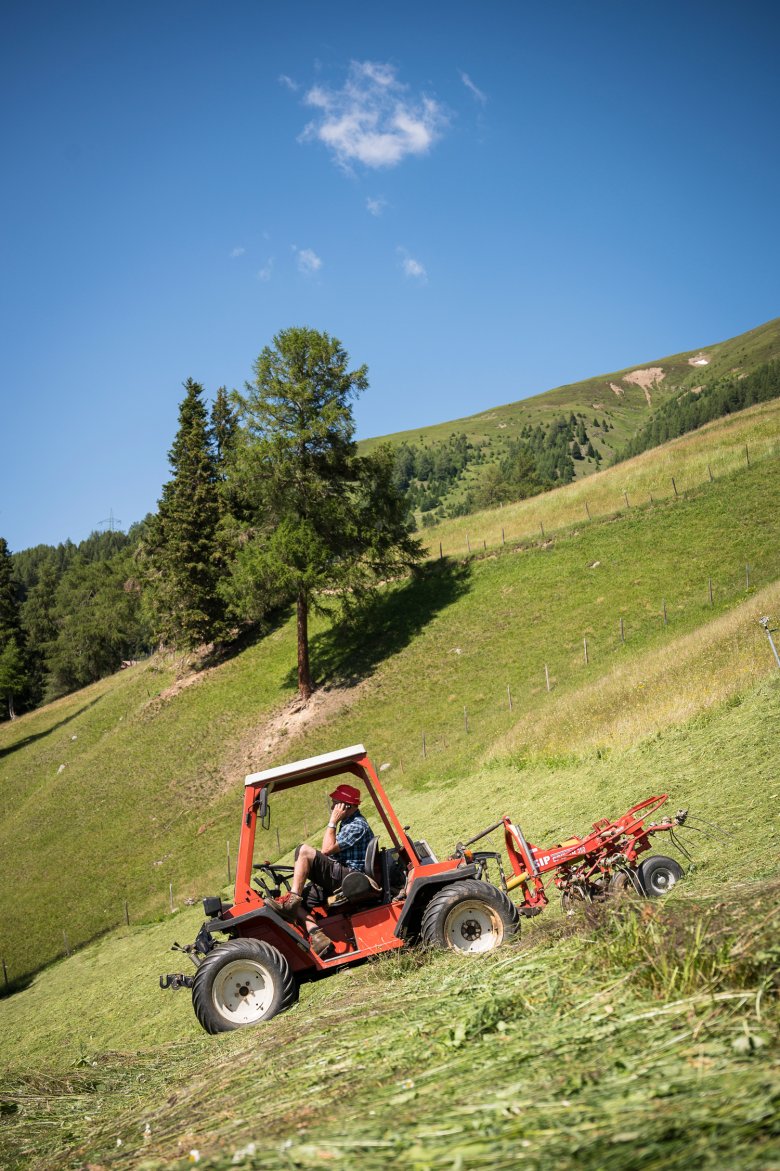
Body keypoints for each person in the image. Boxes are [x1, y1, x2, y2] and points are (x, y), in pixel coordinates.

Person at [265, 783, 373, 956]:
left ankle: (292, 900)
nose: (332, 807)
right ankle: (317, 935)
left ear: (346, 806)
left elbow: (326, 849)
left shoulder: (357, 825)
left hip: (350, 876)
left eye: (335, 803)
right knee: (303, 899)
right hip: (342, 873)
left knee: (303, 851)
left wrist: (332, 821)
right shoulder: (347, 823)